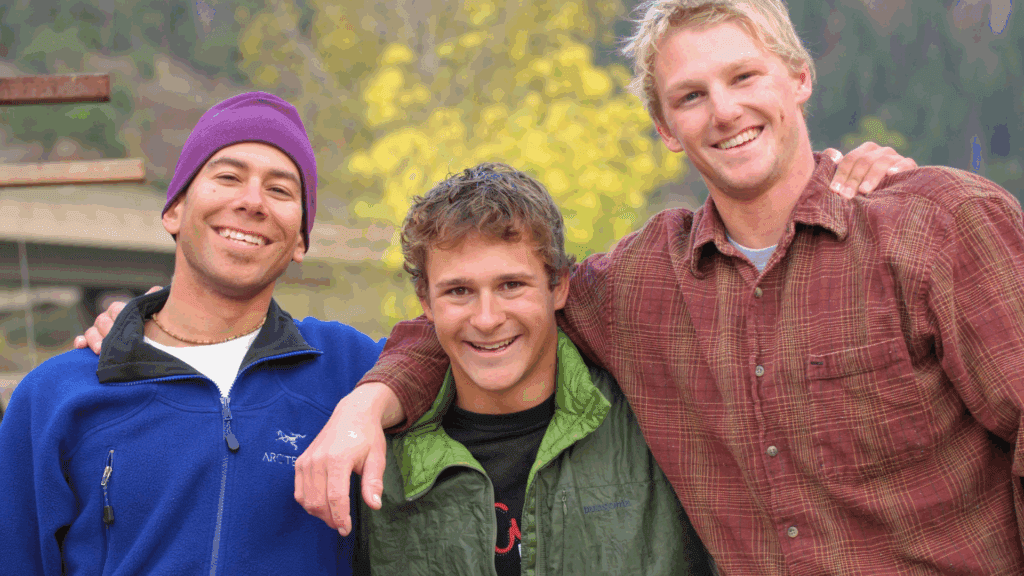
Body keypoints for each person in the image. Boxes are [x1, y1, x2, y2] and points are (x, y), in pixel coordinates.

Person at [295, 1, 1024, 574]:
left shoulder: (938, 224)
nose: (725, 111)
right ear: (666, 127)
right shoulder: (648, 283)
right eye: (691, 95)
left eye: (744, 77)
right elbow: (490, 306)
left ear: (799, 78)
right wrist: (367, 401)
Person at [0, 92, 384, 575]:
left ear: (301, 240)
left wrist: (369, 401)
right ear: (174, 211)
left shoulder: (350, 366)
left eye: (281, 191)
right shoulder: (57, 395)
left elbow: (460, 342)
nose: (251, 202)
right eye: (227, 177)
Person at [350, 163, 713, 575]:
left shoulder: (650, 424)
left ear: (558, 285)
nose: (487, 318)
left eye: (511, 285)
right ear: (426, 301)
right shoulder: (381, 466)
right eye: (459, 291)